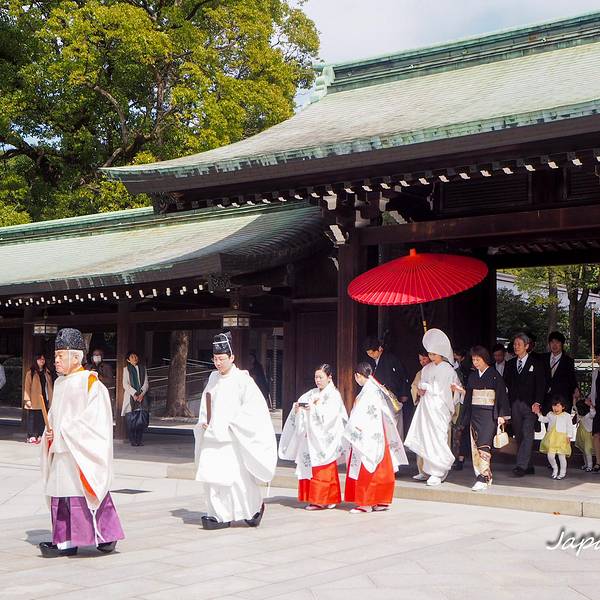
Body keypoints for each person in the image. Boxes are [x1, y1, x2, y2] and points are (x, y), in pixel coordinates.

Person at [39, 328, 124, 558]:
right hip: (61, 450)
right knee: (61, 494)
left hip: (79, 453)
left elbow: (95, 422)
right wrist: (49, 434)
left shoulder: (91, 384)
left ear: (76, 357)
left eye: (60, 356)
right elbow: (54, 417)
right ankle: (65, 540)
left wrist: (64, 432)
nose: (55, 361)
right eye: (55, 356)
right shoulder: (59, 384)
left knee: (82, 492)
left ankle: (103, 537)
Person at [194, 332, 277, 530]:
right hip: (212, 436)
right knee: (212, 478)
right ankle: (217, 514)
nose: (218, 363)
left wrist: (234, 424)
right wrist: (204, 421)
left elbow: (254, 409)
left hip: (232, 437)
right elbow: (206, 405)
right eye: (215, 359)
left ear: (232, 358)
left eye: (222, 359)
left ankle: (253, 509)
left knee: (237, 479)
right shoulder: (213, 378)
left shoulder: (243, 380)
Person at [279, 364, 347, 510]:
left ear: (329, 377)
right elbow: (300, 404)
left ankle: (321, 500)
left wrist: (313, 410)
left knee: (323, 468)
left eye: (321, 377)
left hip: (324, 438)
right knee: (311, 467)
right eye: (316, 377)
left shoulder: (334, 395)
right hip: (310, 437)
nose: (318, 380)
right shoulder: (311, 393)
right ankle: (325, 498)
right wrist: (298, 408)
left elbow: (331, 417)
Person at [343, 362, 408, 513]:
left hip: (368, 434)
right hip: (378, 433)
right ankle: (380, 500)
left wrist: (355, 429)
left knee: (367, 465)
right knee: (381, 467)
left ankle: (366, 502)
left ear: (358, 376)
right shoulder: (374, 388)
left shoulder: (369, 392)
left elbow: (362, 414)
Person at [405, 328, 463, 486]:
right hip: (427, 407)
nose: (431, 357)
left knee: (437, 438)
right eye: (430, 354)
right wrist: (421, 389)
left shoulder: (449, 370)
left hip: (440, 407)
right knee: (426, 437)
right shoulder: (426, 369)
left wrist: (433, 390)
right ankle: (427, 470)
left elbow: (452, 391)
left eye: (434, 354)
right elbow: (420, 386)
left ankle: (438, 471)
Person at [458, 346, 511, 491]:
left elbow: (501, 396)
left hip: (489, 415)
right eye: (473, 359)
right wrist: (464, 415)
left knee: (484, 445)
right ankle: (482, 475)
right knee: (475, 445)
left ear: (484, 359)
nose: (475, 362)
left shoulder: (494, 374)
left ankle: (483, 477)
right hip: (475, 413)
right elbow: (469, 397)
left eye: (478, 359)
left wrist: (501, 415)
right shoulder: (473, 376)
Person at [503, 332, 545, 477]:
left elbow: (541, 385)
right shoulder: (509, 364)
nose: (516, 347)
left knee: (528, 433)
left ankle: (520, 466)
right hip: (514, 404)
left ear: (527, 346)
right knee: (519, 435)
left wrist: (538, 402)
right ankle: (529, 465)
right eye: (514, 344)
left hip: (530, 404)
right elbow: (505, 385)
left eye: (519, 344)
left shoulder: (536, 363)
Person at [363, 336, 410, 439]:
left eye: (372, 353)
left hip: (391, 396)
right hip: (377, 397)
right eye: (368, 353)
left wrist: (404, 393)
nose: (371, 355)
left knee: (393, 424)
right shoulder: (370, 361)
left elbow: (402, 376)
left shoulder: (391, 359)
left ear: (380, 349)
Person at [534, 395, 573, 480]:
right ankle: (555, 468)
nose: (555, 408)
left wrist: (569, 436)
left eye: (558, 406)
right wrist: (538, 413)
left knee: (561, 456)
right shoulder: (550, 414)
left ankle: (562, 473)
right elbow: (544, 419)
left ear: (563, 407)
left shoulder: (567, 416)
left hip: (562, 439)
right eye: (554, 406)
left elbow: (569, 427)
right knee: (550, 456)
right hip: (551, 438)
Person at [542, 331, 578, 414]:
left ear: (562, 344)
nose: (554, 345)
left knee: (561, 425)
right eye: (552, 342)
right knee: (549, 426)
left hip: (562, 400)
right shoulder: (542, 358)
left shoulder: (568, 361)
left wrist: (576, 389)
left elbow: (572, 379)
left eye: (557, 342)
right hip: (546, 400)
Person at [23, 354, 54, 444]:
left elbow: (50, 386)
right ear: (35, 360)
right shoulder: (31, 373)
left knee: (43, 417)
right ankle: (31, 436)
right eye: (40, 359)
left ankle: (41, 434)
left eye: (43, 359)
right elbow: (27, 387)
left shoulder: (47, 372)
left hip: (44, 397)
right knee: (32, 417)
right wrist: (27, 399)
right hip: (34, 398)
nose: (42, 361)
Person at [121, 351, 149, 447]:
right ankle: (133, 440)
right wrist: (134, 394)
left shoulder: (142, 369)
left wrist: (141, 394)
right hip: (130, 397)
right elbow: (125, 384)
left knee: (140, 420)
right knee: (131, 420)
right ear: (128, 360)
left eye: (135, 356)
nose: (135, 358)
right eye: (132, 357)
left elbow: (146, 383)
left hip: (142, 397)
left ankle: (139, 440)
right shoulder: (126, 370)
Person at [575, 399, 595, 472]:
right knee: (584, 450)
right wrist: (575, 398)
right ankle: (586, 464)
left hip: (588, 435)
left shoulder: (589, 415)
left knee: (587, 450)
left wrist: (590, 405)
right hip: (581, 434)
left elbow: (593, 412)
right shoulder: (579, 415)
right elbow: (575, 406)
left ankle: (590, 466)